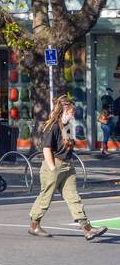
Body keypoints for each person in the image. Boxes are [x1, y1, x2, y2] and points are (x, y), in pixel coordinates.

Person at [29, 94, 105, 240]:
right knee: (46, 198)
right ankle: (34, 225)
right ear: (63, 111)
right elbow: (46, 149)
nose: (73, 113)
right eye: (71, 111)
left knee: (73, 197)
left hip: (67, 166)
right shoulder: (53, 126)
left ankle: (87, 229)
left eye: (73, 111)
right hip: (54, 165)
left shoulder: (67, 126)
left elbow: (67, 146)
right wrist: (52, 168)